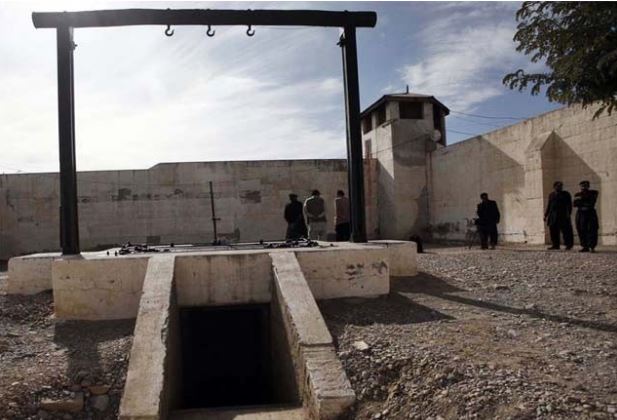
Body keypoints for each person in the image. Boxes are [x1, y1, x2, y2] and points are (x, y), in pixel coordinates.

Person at [544, 181, 573, 250]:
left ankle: (568, 245)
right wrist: (545, 215)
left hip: (563, 215)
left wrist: (568, 214)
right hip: (553, 216)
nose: (560, 187)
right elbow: (549, 205)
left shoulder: (566, 194)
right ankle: (555, 245)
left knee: (566, 231)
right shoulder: (551, 195)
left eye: (561, 186)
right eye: (558, 186)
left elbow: (569, 205)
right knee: (553, 231)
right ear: (554, 187)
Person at [573, 180, 599, 252]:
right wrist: (584, 203)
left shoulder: (593, 193)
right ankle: (585, 246)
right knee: (581, 229)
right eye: (582, 186)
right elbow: (575, 204)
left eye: (585, 186)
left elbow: (592, 202)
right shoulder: (577, 194)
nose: (584, 187)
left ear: (588, 186)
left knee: (592, 229)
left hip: (590, 213)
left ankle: (592, 246)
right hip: (581, 214)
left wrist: (582, 202)